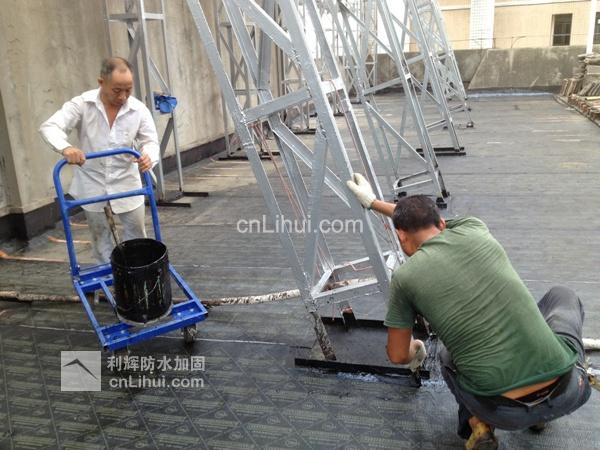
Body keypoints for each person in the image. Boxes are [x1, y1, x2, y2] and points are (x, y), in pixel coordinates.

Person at [346, 173, 591, 450]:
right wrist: (376, 203)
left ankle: (477, 425)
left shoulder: (405, 278)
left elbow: (398, 355)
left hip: (503, 410)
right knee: (562, 296)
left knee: (447, 355)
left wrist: (416, 348)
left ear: (400, 235)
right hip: (571, 391)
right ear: (441, 223)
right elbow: (424, 221)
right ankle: (546, 411)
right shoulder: (474, 227)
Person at [40, 57, 159, 264]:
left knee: (137, 234)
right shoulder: (82, 104)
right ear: (101, 82)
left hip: (126, 182)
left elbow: (150, 140)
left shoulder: (138, 110)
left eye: (128, 90)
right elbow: (50, 127)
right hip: (92, 182)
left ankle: (137, 273)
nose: (123, 96)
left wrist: (148, 156)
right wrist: (66, 148)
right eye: (117, 90)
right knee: (100, 236)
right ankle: (105, 272)